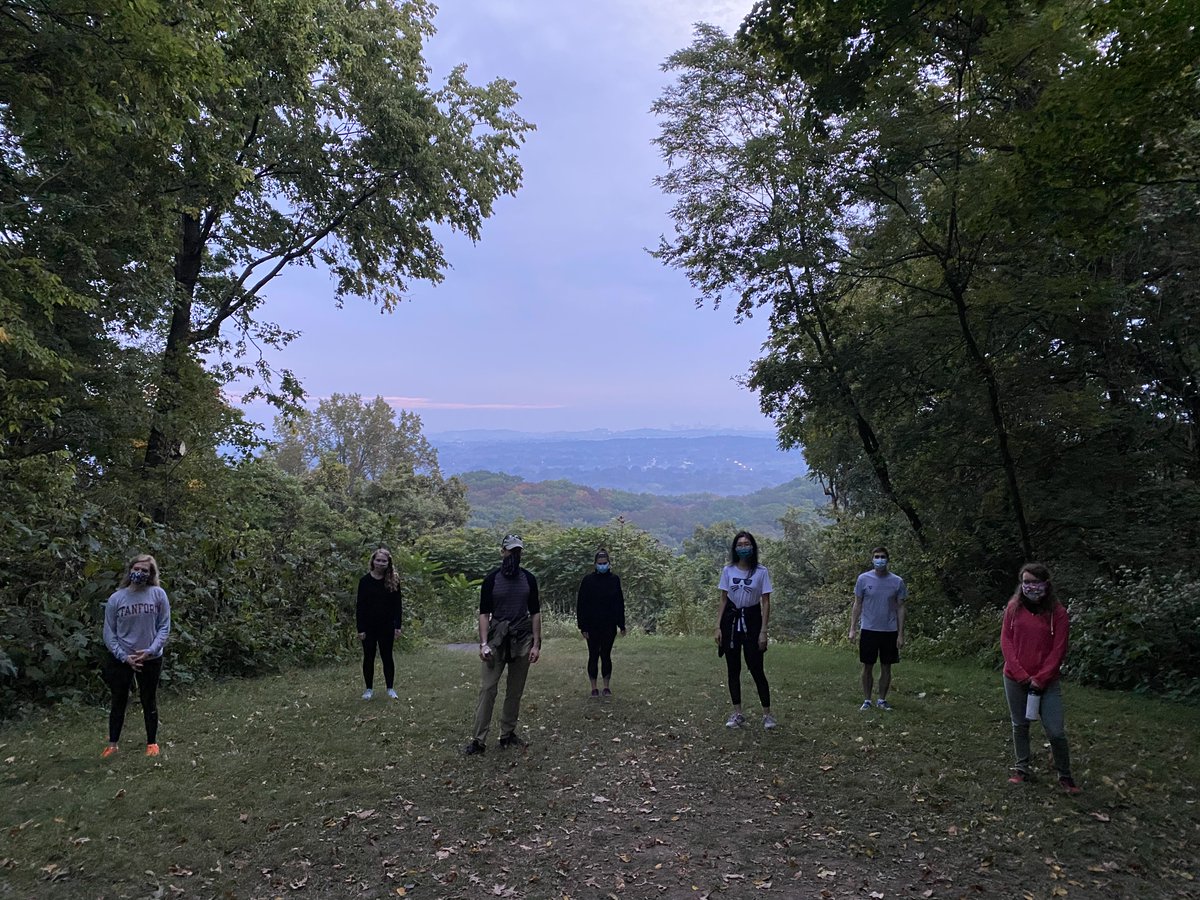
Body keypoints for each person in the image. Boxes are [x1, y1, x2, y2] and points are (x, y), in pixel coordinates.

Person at [1001, 562, 1081, 793]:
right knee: (1020, 725)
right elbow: (1006, 641)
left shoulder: (1058, 613)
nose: (1030, 586)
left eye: (1035, 582)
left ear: (1046, 584)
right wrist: (1021, 674)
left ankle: (1065, 776)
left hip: (1047, 682)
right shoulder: (1014, 608)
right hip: (1015, 679)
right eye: (1026, 582)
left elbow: (1059, 649)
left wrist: (1041, 678)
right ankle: (1022, 769)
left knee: (1056, 731)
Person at [464, 534, 542, 755]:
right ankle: (478, 740)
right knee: (487, 689)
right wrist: (483, 643)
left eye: (517, 551)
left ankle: (507, 734)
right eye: (510, 551)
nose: (513, 555)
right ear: (502, 552)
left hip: (522, 639)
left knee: (515, 691)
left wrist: (536, 644)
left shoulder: (529, 579)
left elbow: (535, 612)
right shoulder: (491, 580)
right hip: (497, 640)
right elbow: (483, 613)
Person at [101, 554, 171, 758]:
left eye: (144, 570)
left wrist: (150, 650)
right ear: (130, 570)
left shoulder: (158, 594)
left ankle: (152, 743)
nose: (139, 573)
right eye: (136, 569)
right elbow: (109, 632)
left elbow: (164, 626)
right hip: (122, 658)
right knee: (118, 700)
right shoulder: (117, 598)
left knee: (149, 699)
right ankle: (112, 744)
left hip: (150, 658)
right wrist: (124, 656)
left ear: (151, 574)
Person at [714, 531, 775, 729]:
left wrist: (763, 631)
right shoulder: (728, 570)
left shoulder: (761, 571)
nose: (743, 547)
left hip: (752, 620)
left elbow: (765, 602)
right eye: (739, 544)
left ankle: (767, 714)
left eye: (746, 543)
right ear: (734, 548)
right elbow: (723, 599)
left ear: (753, 546)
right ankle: (737, 712)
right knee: (733, 669)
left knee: (756, 668)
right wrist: (718, 626)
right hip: (731, 621)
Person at [849, 546, 907, 710]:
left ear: (888, 559)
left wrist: (900, 633)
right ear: (872, 559)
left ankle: (882, 699)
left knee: (886, 666)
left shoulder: (897, 581)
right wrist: (852, 628)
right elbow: (857, 603)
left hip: (889, 630)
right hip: (869, 629)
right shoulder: (863, 579)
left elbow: (901, 607)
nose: (879, 560)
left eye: (882, 557)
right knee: (867, 666)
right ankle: (867, 700)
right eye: (877, 556)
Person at [576, 548, 626, 698]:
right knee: (593, 655)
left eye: (604, 563)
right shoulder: (588, 581)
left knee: (606, 655)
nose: (602, 565)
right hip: (591, 626)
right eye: (600, 563)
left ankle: (606, 687)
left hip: (609, 625)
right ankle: (593, 688)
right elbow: (581, 605)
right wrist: (582, 626)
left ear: (609, 563)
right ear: (595, 564)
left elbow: (619, 603)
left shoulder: (614, 580)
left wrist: (621, 624)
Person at [356, 547, 403, 700]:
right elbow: (360, 606)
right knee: (368, 657)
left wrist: (398, 626)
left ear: (388, 562)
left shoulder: (393, 581)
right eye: (378, 560)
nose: (381, 563)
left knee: (387, 656)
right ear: (373, 561)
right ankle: (368, 689)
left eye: (384, 561)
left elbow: (398, 605)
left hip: (387, 626)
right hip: (369, 627)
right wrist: (360, 628)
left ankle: (390, 688)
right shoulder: (364, 581)